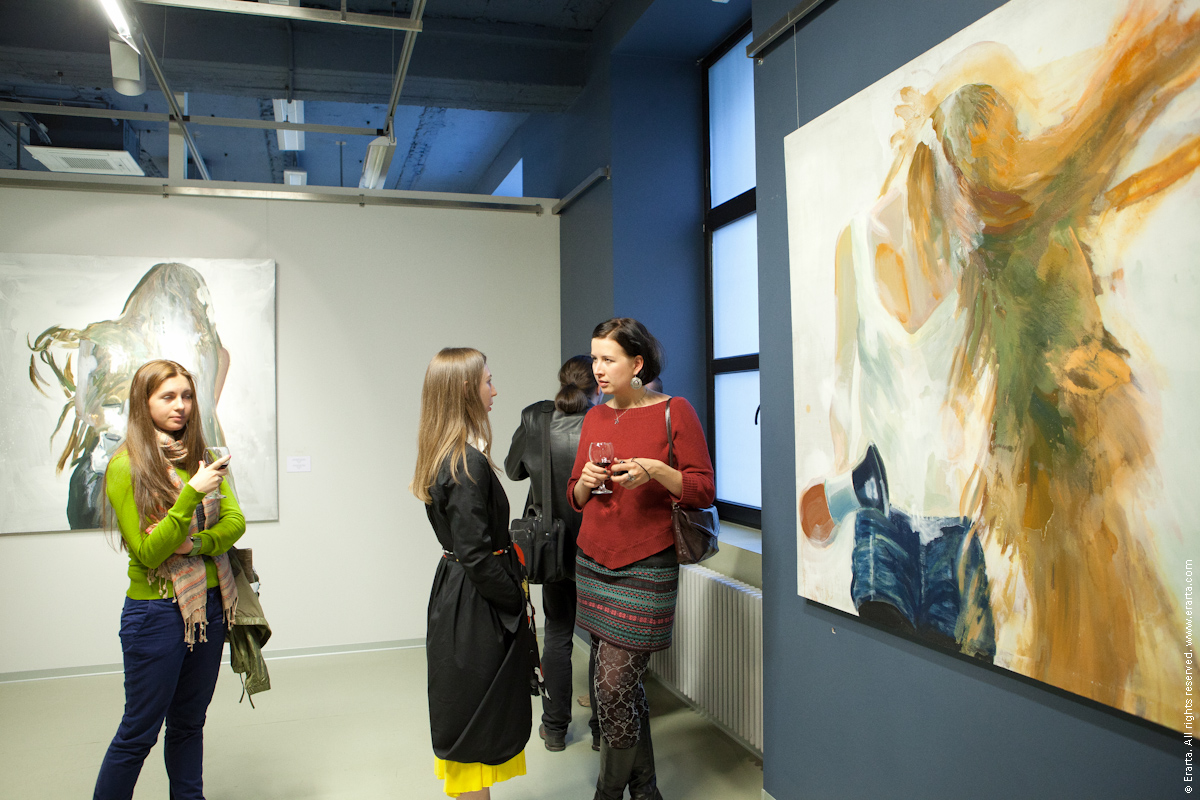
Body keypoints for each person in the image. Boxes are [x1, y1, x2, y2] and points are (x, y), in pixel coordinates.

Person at [568, 318, 715, 800]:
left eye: (608, 359)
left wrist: (655, 471)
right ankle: (646, 789)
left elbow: (703, 489)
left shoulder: (676, 411)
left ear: (637, 364)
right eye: (594, 358)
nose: (597, 368)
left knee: (612, 689)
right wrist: (585, 483)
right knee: (623, 689)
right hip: (593, 562)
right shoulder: (594, 417)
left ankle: (607, 793)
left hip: (647, 566)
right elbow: (574, 495)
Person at [93, 359, 244, 800]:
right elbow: (149, 551)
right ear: (144, 402)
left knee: (189, 724)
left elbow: (235, 523)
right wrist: (192, 493)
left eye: (187, 396)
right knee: (138, 732)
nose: (181, 406)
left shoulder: (204, 458)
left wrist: (195, 545)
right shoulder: (126, 465)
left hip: (209, 608)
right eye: (168, 396)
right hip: (156, 613)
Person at [411, 347, 534, 800]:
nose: (494, 390)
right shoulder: (465, 464)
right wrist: (515, 600)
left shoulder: (448, 456)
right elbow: (477, 555)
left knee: (472, 713)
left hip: (461, 593)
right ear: (466, 388)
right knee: (475, 720)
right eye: (487, 381)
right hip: (476, 601)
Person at [504, 355, 603, 752]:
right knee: (602, 641)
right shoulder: (606, 419)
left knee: (558, 634)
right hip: (599, 546)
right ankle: (602, 732)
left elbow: (514, 470)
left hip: (552, 546)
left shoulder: (536, 418)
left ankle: (556, 729)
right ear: (597, 385)